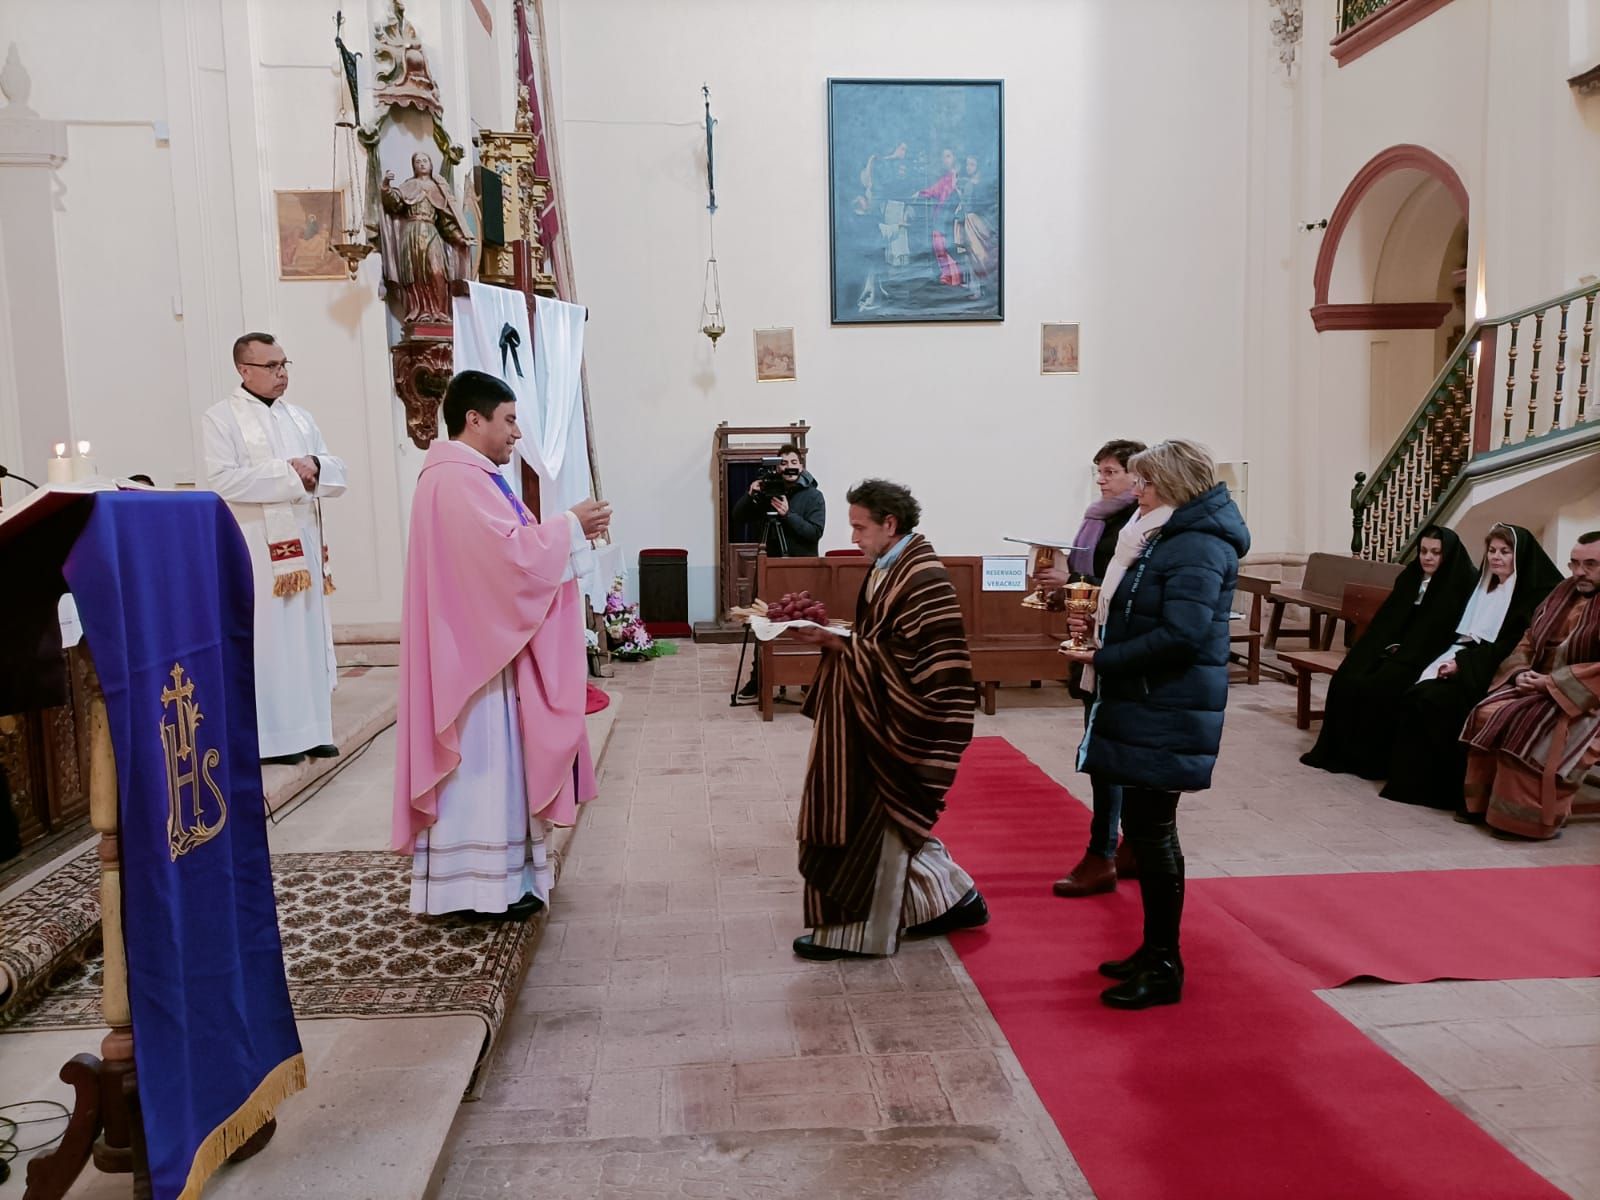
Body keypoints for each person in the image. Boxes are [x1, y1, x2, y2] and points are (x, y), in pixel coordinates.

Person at [392, 370, 611, 916]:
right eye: (509, 420)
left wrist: (569, 533)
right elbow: (507, 561)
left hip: (484, 649)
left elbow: (511, 553)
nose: (516, 433)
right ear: (474, 419)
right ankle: (479, 888)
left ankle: (501, 881)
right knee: (481, 770)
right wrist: (568, 525)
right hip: (473, 661)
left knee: (495, 769)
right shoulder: (456, 479)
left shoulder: (473, 476)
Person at [1061, 440, 1249, 1009]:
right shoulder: (1172, 535)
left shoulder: (1196, 544)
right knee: (1146, 828)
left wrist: (1107, 659)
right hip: (1153, 699)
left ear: (1167, 483)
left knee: (1156, 832)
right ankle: (1154, 949)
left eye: (1142, 482)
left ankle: (1166, 964)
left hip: (1168, 701)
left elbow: (1184, 633)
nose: (1134, 490)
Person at [787, 479, 987, 959]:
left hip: (905, 718)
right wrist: (843, 639)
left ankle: (859, 934)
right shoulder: (888, 566)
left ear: (889, 524)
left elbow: (929, 666)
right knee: (886, 815)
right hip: (873, 709)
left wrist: (843, 645)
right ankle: (954, 899)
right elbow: (883, 642)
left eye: (860, 527)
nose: (853, 537)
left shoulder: (924, 576)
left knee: (875, 814)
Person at [203, 333, 347, 766]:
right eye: (271, 366)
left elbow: (335, 469)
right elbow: (223, 479)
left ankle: (313, 729)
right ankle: (275, 738)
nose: (282, 373)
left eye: (284, 363)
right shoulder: (221, 418)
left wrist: (317, 468)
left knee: (306, 634)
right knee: (271, 640)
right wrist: (291, 475)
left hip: (302, 540)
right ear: (244, 370)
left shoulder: (300, 418)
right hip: (258, 549)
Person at [1381, 524, 1562, 812]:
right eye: (1492, 551)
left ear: (1520, 556)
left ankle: (1446, 792)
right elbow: (1466, 634)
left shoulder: (1531, 595)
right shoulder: (1486, 586)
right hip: (1470, 659)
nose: (1496, 558)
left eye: (1505, 552)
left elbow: (1509, 647)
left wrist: (1462, 665)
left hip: (1496, 671)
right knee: (1415, 695)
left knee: (1437, 703)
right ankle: (1413, 786)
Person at [1036, 438, 1148, 897]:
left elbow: (1128, 588)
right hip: (1095, 647)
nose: (1100, 479)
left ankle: (1104, 853)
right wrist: (1063, 593)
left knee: (1109, 756)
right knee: (1105, 753)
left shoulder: (1137, 523)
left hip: (1119, 653)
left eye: (1110, 471)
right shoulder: (1099, 519)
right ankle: (1129, 847)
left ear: (1136, 475)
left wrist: (1074, 582)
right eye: (1098, 471)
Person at [1300, 525, 1478, 779]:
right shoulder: (1410, 577)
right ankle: (1341, 753)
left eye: (1436, 553)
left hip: (1426, 655)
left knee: (1380, 686)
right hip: (1397, 648)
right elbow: (1388, 620)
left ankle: (1370, 761)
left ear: (1447, 554)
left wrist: (1404, 651)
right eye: (1424, 551)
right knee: (1347, 678)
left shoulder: (1460, 583)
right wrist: (1386, 646)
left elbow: (1440, 633)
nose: (1427, 557)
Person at [1459, 532, 1600, 839]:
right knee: (1488, 711)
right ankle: (1483, 806)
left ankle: (1529, 821)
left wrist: (1553, 682)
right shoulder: (1563, 591)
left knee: (1530, 728)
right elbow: (1529, 637)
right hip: (1541, 683)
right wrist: (1520, 672)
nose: (1579, 572)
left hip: (1585, 697)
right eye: (1574, 563)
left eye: (1590, 564)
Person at [731, 443, 826, 699]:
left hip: (801, 569)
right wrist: (752, 495)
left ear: (801, 466)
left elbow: (814, 533)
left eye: (793, 462)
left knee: (804, 624)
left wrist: (788, 515)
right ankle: (758, 678)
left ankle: (807, 679)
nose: (789, 467)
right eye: (783, 463)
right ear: (776, 468)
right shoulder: (766, 494)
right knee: (764, 622)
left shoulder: (814, 496)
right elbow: (737, 518)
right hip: (770, 569)